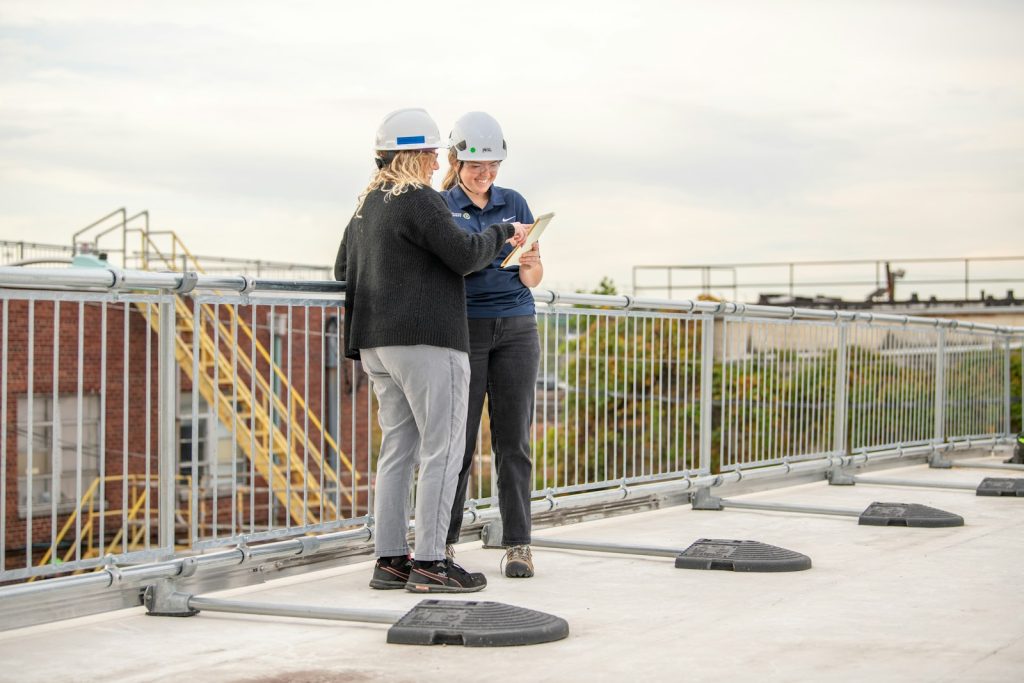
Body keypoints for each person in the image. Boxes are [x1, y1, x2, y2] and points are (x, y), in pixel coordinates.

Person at [334, 108, 528, 593]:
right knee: (443, 449)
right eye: (433, 151)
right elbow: (464, 257)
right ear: (417, 154)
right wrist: (502, 234)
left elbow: (342, 268)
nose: (436, 159)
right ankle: (430, 564)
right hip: (427, 341)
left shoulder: (367, 203)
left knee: (398, 450)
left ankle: (390, 560)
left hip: (375, 344)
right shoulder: (420, 199)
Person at [440, 111, 543, 578]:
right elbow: (455, 267)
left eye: (493, 166)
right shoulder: (441, 207)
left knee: (513, 442)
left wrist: (530, 259)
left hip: (517, 327)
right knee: (457, 445)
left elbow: (534, 278)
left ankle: (519, 544)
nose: (486, 176)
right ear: (456, 161)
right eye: (477, 167)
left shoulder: (514, 201)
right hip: (466, 329)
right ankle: (442, 543)